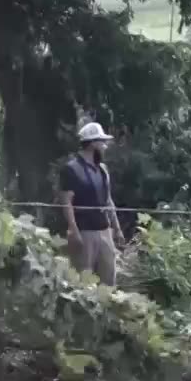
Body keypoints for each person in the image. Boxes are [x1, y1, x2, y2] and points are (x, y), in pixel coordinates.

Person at [59, 122, 124, 285]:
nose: (105, 147)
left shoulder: (102, 169)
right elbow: (67, 202)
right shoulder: (71, 169)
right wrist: (74, 231)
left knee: (109, 280)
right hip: (84, 232)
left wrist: (117, 228)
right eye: (102, 142)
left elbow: (108, 200)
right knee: (83, 281)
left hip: (104, 230)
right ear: (93, 143)